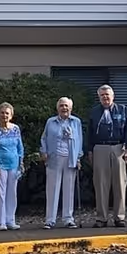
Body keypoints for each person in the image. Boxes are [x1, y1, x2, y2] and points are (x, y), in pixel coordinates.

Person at [86, 84, 127, 228]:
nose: (105, 97)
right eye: (102, 95)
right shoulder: (94, 112)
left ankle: (119, 217)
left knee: (120, 183)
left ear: (113, 96)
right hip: (100, 148)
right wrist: (90, 150)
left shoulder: (122, 109)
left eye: (107, 95)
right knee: (101, 184)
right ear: (99, 97)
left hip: (119, 147)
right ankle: (101, 218)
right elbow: (89, 132)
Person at [40, 97, 83, 229]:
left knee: (69, 189)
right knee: (52, 189)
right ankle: (50, 219)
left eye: (66, 106)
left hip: (70, 157)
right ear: (57, 108)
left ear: (71, 108)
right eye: (61, 106)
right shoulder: (51, 122)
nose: (64, 108)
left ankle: (68, 218)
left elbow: (80, 140)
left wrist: (78, 157)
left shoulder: (76, 122)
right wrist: (43, 151)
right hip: (54, 157)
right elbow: (44, 137)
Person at [0, 101, 24, 231]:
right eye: (2, 113)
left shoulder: (16, 129)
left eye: (7, 113)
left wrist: (21, 162)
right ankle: (1, 221)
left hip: (14, 164)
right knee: (1, 193)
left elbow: (20, 147)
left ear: (11, 115)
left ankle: (10, 220)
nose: (4, 115)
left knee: (12, 192)